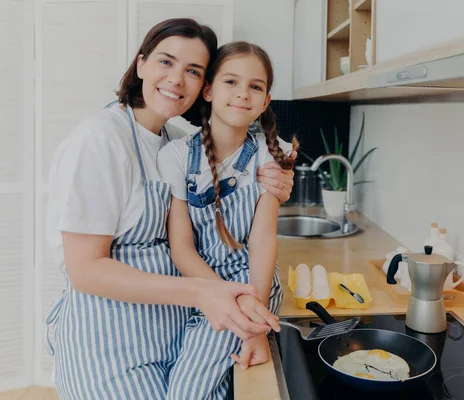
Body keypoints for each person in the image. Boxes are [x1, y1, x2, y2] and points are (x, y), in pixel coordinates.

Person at [44, 19, 294, 400]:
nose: (177, 79)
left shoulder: (176, 142)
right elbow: (85, 269)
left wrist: (278, 184)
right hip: (110, 339)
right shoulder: (100, 140)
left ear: (202, 86)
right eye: (166, 62)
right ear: (141, 64)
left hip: (172, 329)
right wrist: (208, 293)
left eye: (192, 70)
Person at [157, 41, 298, 399]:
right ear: (208, 91)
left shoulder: (270, 152)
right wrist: (222, 297)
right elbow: (182, 249)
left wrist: (255, 324)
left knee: (187, 392)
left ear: (266, 101)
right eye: (230, 82)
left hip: (254, 286)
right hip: (200, 287)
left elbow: (263, 240)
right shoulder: (175, 156)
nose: (243, 94)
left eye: (255, 86)